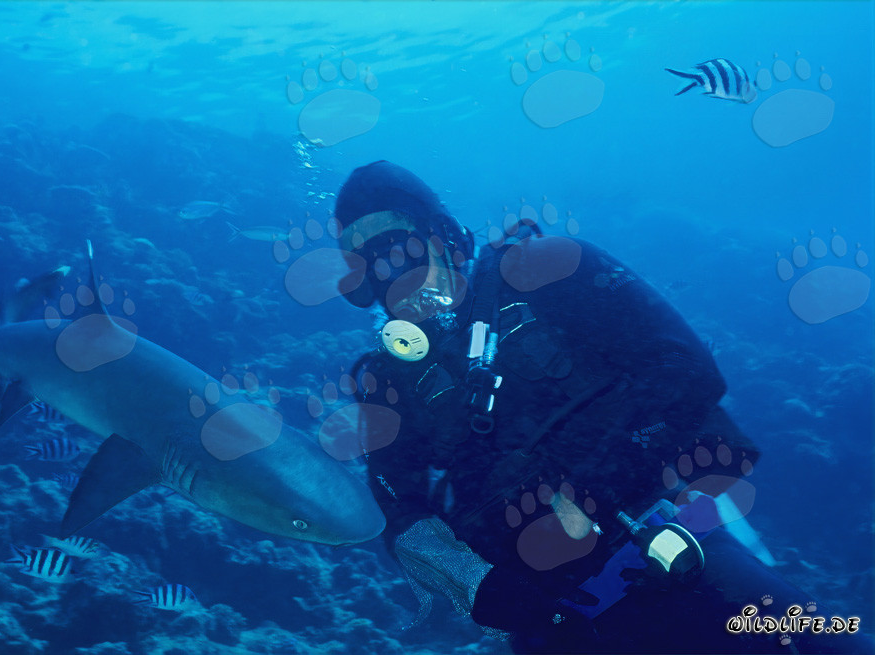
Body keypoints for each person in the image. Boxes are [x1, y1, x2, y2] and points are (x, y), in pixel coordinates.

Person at [328, 160, 871, 654]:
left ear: (443, 236)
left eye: (398, 251)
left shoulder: (547, 274)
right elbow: (394, 505)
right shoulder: (388, 383)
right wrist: (477, 584)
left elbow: (683, 367)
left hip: (678, 552)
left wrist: (586, 484)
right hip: (552, 622)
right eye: (365, 270)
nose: (388, 280)